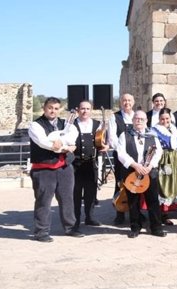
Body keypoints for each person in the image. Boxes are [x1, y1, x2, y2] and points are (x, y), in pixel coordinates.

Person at [29, 97, 82, 242]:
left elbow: (73, 135)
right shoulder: (36, 125)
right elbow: (44, 142)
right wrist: (66, 147)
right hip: (44, 169)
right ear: (44, 108)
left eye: (56, 108)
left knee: (67, 199)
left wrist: (65, 143)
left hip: (65, 167)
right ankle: (41, 232)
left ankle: (70, 228)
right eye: (50, 108)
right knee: (44, 201)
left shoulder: (65, 124)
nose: (53, 111)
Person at [116, 111, 165, 238]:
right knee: (133, 201)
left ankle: (156, 228)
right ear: (132, 120)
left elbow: (158, 152)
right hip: (131, 172)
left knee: (153, 200)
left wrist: (150, 166)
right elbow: (121, 153)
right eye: (136, 118)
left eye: (142, 119)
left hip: (150, 173)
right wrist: (135, 165)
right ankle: (135, 227)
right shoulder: (124, 135)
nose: (139, 121)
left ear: (146, 121)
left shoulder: (152, 136)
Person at [72, 100, 107, 230]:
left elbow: (104, 140)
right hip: (75, 164)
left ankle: (89, 217)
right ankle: (75, 219)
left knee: (90, 193)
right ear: (78, 110)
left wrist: (106, 145)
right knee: (75, 192)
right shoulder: (71, 124)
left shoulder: (97, 125)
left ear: (91, 110)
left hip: (91, 164)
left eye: (87, 109)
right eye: (82, 108)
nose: (85, 111)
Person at [151, 108, 177, 224]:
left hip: (175, 158)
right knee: (164, 184)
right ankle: (161, 214)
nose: (165, 120)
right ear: (159, 119)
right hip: (164, 157)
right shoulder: (155, 130)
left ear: (170, 118)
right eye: (162, 119)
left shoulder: (174, 128)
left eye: (167, 118)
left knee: (174, 183)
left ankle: (166, 212)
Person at [108, 93, 136, 224]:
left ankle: (135, 213)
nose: (127, 103)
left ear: (133, 102)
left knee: (136, 184)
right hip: (120, 157)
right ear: (121, 102)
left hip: (136, 158)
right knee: (120, 184)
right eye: (124, 100)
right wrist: (123, 153)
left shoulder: (138, 116)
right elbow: (112, 138)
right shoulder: (115, 117)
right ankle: (119, 213)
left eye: (129, 100)